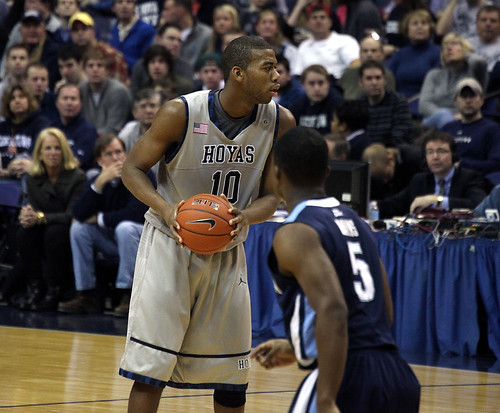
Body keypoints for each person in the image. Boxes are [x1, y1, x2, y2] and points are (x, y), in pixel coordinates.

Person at [118, 35, 295, 413]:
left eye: (277, 67)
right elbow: (131, 169)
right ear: (238, 74)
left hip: (228, 251)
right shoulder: (180, 112)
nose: (278, 76)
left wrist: (245, 216)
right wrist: (167, 210)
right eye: (268, 68)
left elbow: (273, 196)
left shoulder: (281, 121)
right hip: (170, 244)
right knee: (151, 371)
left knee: (233, 376)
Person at [251, 125, 421, 413]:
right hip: (397, 376)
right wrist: (298, 349)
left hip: (347, 378)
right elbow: (383, 312)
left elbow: (333, 309)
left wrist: (327, 398)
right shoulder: (358, 222)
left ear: (276, 173)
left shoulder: (295, 232)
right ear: (328, 172)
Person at [58, 134, 154, 316]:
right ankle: (86, 294)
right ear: (100, 160)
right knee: (79, 229)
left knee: (124, 228)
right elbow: (78, 214)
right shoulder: (96, 177)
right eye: (109, 154)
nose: (116, 158)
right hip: (114, 242)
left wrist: (100, 219)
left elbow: (137, 213)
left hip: (142, 241)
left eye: (119, 152)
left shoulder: (143, 173)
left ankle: (127, 294)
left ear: (126, 154)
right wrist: (100, 183)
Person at [14, 127, 87, 311]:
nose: (53, 153)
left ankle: (53, 291)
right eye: (48, 148)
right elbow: (33, 207)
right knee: (24, 234)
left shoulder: (77, 177)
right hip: (43, 225)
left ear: (64, 151)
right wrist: (27, 215)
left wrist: (40, 217)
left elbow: (73, 214)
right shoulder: (32, 177)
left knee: (54, 234)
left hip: (66, 227)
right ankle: (35, 288)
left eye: (57, 148)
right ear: (39, 153)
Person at [376, 130, 487, 218]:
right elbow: (394, 204)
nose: (435, 157)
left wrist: (436, 201)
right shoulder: (419, 180)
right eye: (430, 152)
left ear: (453, 156)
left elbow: (478, 204)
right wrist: (369, 207)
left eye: (441, 151)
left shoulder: (469, 177)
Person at [419, 32, 488, 128]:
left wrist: (467, 54)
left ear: (464, 48)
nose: (449, 48)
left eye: (455, 44)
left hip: (467, 118)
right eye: (445, 46)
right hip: (434, 122)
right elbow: (424, 105)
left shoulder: (473, 72)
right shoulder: (434, 74)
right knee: (443, 115)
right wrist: (450, 117)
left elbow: (479, 61)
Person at [441, 78, 500, 186]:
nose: (468, 100)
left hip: (476, 183)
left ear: (482, 100)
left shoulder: (493, 129)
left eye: (472, 96)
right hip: (445, 181)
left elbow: (496, 164)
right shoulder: (447, 128)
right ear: (456, 102)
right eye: (463, 96)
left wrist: (461, 164)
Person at [292, 2, 360, 79]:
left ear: (330, 22)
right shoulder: (303, 47)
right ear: (308, 23)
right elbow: (297, 73)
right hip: (310, 86)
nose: (318, 21)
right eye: (314, 18)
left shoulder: (345, 41)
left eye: (323, 17)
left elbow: (356, 65)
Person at [387, 9, 441, 99]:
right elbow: (388, 80)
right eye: (415, 24)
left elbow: (438, 85)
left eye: (424, 23)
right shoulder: (399, 55)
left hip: (427, 101)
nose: (419, 27)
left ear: (430, 28)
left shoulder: (437, 53)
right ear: (407, 30)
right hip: (400, 103)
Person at [0, 83, 50, 180]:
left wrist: (13, 169)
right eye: (12, 98)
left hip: (28, 175)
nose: (17, 101)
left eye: (21, 97)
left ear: (29, 100)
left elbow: (36, 152)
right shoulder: (2, 127)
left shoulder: (40, 124)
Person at [79, 48, 133, 135]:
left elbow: (113, 128)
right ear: (84, 70)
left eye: (100, 66)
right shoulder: (81, 89)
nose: (95, 70)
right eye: (90, 66)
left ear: (107, 70)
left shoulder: (118, 91)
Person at [358, 60, 413, 146]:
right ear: (361, 82)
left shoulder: (398, 102)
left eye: (378, 78)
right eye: (369, 78)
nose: (374, 83)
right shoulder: (358, 104)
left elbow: (401, 134)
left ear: (385, 79)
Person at [69, 11, 129, 85]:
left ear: (93, 31)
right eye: (75, 30)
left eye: (84, 29)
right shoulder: (71, 55)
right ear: (71, 34)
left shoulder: (110, 54)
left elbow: (119, 86)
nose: (80, 33)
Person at [50, 82, 99, 171]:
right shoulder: (50, 128)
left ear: (80, 104)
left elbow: (75, 163)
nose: (69, 103)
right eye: (65, 98)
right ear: (56, 103)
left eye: (73, 99)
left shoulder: (88, 131)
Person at [159, 0, 213, 72]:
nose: (162, 14)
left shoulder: (206, 34)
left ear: (180, 11)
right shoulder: (161, 34)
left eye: (167, 9)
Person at [289, 64, 344, 136]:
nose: (316, 88)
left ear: (328, 83)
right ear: (303, 85)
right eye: (311, 83)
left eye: (321, 83)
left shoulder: (338, 104)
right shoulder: (297, 105)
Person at [338, 34, 396, 100]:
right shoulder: (347, 75)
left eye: (373, 51)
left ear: (382, 54)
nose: (369, 54)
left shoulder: (387, 75)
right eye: (365, 51)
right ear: (360, 54)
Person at [110, 0, 156, 75]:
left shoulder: (147, 31)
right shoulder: (114, 30)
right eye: (120, 2)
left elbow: (147, 64)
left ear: (134, 6)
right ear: (113, 7)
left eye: (129, 2)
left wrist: (120, 59)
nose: (124, 6)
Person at [0, 44, 30, 117]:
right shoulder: (0, 90)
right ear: (6, 62)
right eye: (14, 58)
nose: (18, 62)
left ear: (29, 62)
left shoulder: (35, 86)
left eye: (22, 58)